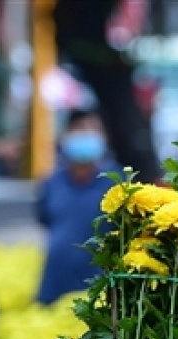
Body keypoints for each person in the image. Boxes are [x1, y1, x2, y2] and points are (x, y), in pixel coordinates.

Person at [35, 108, 122, 305]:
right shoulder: (52, 182)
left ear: (105, 137)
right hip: (53, 287)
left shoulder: (116, 182)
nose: (86, 135)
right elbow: (45, 220)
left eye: (93, 130)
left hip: (99, 291)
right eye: (80, 129)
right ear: (66, 135)